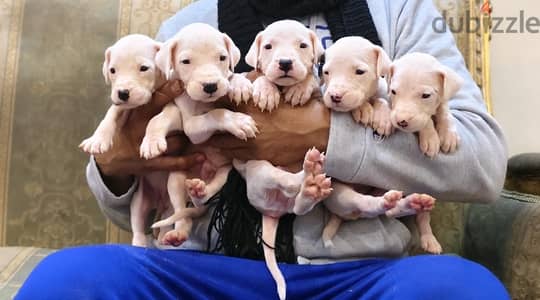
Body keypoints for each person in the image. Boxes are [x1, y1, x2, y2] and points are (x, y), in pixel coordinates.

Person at [17, 0, 510, 299]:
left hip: (358, 272)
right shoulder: (191, 28)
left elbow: (484, 165)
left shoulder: (401, 14)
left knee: (463, 290)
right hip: (203, 266)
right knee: (67, 280)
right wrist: (114, 165)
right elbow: (123, 197)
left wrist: (323, 134)